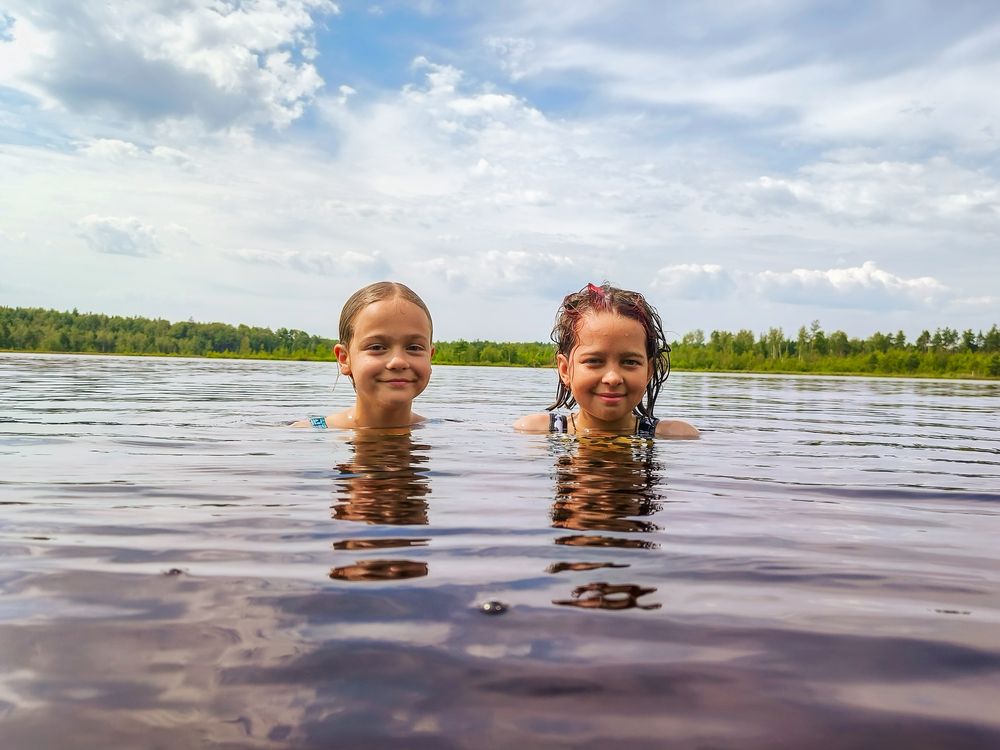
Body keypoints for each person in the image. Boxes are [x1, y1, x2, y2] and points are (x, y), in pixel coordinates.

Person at [514, 282, 698, 438]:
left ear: (649, 371)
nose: (612, 378)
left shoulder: (675, 434)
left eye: (630, 362)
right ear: (565, 370)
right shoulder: (537, 431)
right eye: (594, 361)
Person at [293, 281, 434, 429]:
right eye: (377, 347)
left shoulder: (439, 429)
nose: (398, 362)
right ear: (344, 359)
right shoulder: (312, 431)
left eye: (414, 347)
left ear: (430, 357)